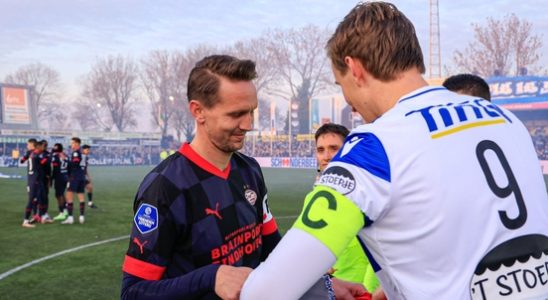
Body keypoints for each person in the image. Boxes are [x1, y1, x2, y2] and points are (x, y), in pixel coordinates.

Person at [240, 2, 548, 299]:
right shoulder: (506, 120)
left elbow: (265, 292)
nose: (347, 100)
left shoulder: (373, 148)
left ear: (354, 68)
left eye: (340, 83)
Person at [120, 55, 283, 299]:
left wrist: (322, 281)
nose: (248, 124)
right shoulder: (165, 187)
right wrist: (210, 278)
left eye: (251, 112)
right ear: (198, 111)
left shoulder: (249, 169)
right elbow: (133, 293)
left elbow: (272, 248)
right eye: (236, 114)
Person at [315, 123, 380, 294]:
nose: (326, 156)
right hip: (332, 289)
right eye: (320, 150)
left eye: (333, 148)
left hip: (359, 290)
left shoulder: (364, 194)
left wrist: (369, 291)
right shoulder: (317, 195)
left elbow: (379, 251)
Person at [62, 137, 87, 225]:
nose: (71, 145)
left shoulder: (76, 153)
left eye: (72, 143)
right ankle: (81, 216)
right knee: (81, 196)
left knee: (69, 196)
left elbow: (75, 163)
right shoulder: (82, 153)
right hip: (81, 177)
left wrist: (65, 160)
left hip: (75, 177)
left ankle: (70, 217)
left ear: (77, 144)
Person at [51, 143, 69, 221]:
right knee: (61, 194)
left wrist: (51, 179)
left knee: (58, 195)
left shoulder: (56, 156)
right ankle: (65, 210)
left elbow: (55, 169)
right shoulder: (65, 155)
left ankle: (62, 212)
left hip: (59, 177)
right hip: (65, 176)